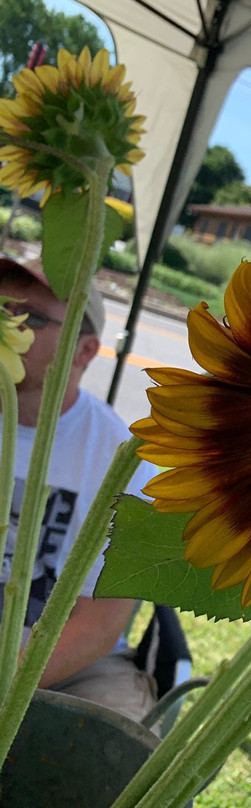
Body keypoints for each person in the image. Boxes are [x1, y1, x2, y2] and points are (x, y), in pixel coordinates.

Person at [0, 256, 157, 723]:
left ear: (86, 351)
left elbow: (99, 623)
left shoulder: (122, 459)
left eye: (25, 317)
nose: (5, 325)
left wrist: (8, 686)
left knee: (119, 761)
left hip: (69, 658)